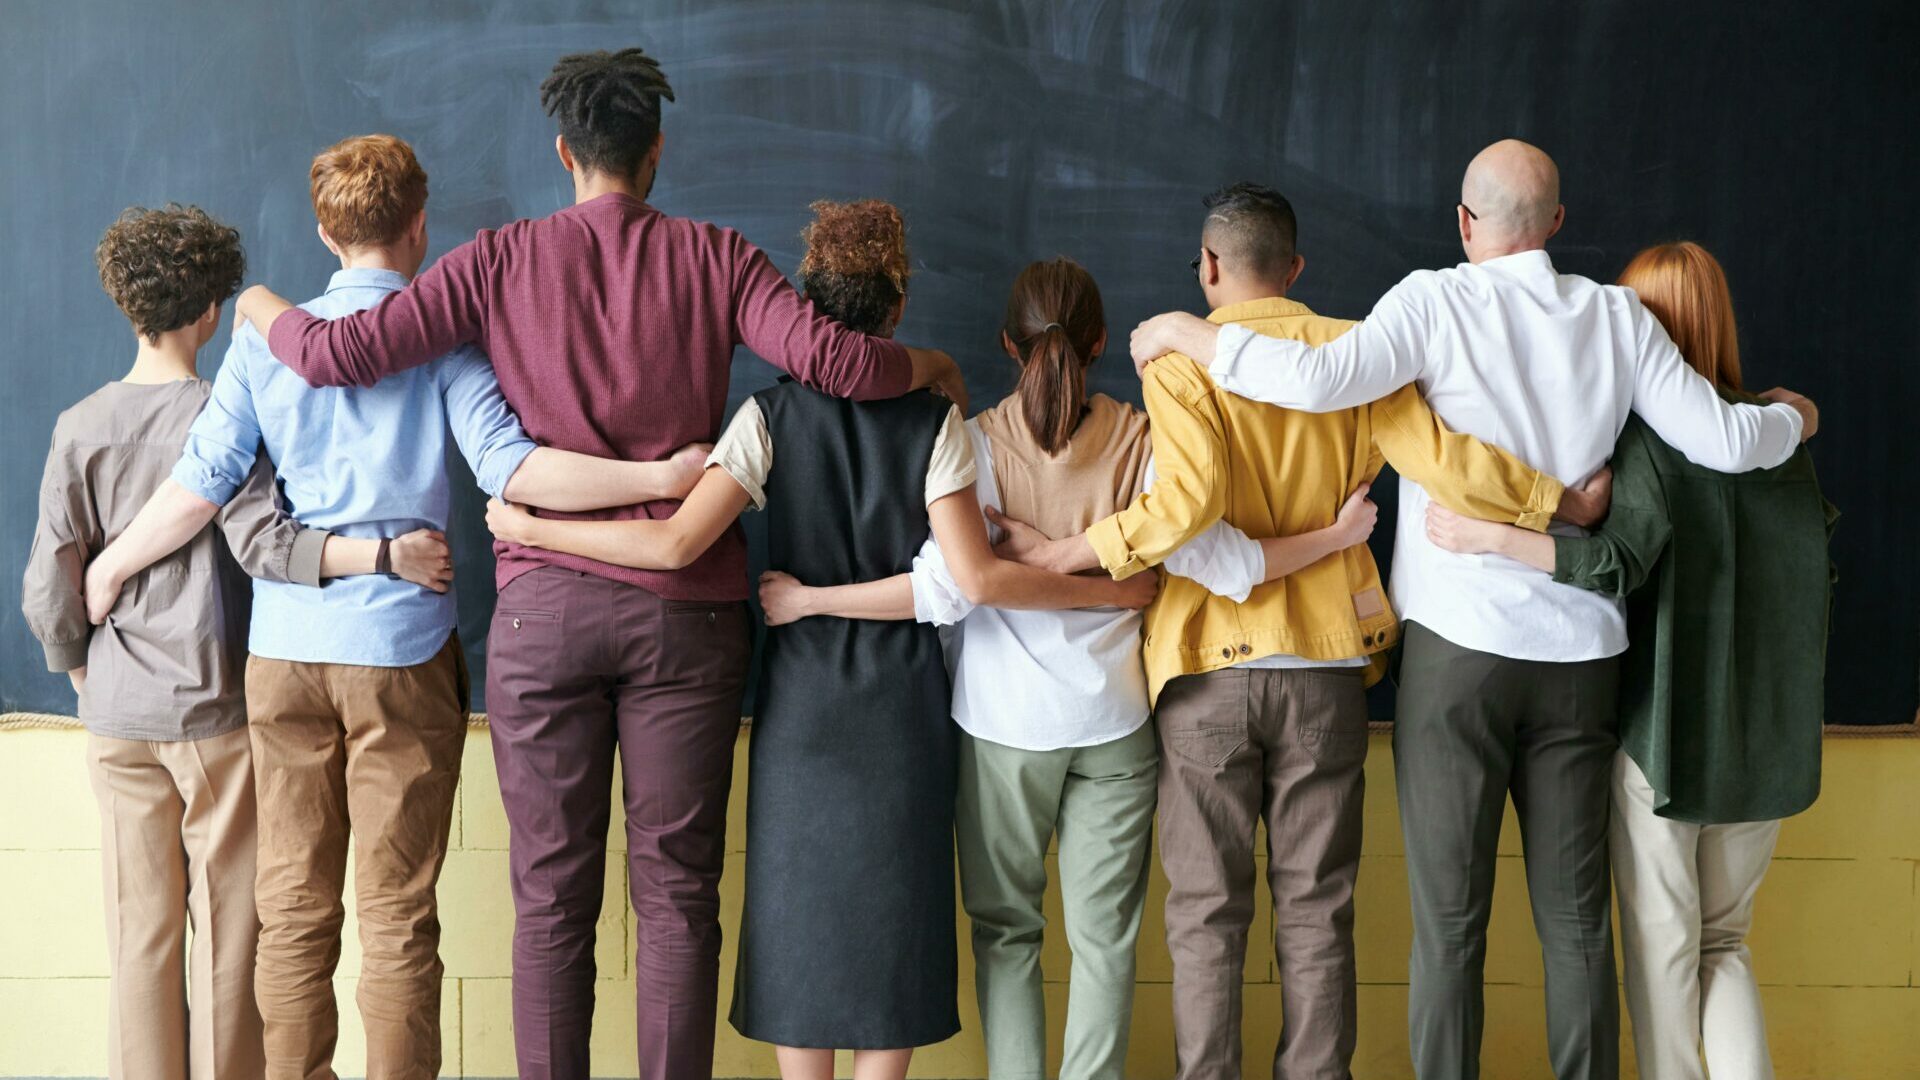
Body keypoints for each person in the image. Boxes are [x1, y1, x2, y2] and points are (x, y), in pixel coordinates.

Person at [231, 51, 966, 1080]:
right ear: (655, 153)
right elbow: (839, 364)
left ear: (565, 155)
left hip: (544, 616)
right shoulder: (718, 258)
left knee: (551, 900)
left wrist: (261, 303)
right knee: (677, 897)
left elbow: (341, 355)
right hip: (689, 617)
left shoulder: (498, 259)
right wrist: (930, 367)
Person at [1126, 144, 1817, 1080]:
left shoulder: (1432, 300)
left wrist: (1189, 332)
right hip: (1581, 656)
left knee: (1450, 923)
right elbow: (1730, 442)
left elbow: (1319, 381)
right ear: (1558, 225)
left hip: (1457, 657)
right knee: (1575, 924)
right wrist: (1795, 420)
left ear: (1463, 221)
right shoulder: (1617, 317)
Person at [79, 137, 708, 1080]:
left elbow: (199, 487)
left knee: (291, 911)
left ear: (325, 232)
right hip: (402, 653)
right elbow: (513, 468)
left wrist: (109, 569)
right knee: (399, 913)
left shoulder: (261, 344)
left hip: (284, 654)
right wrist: (658, 476)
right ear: (420, 226)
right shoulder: (446, 341)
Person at [486, 200, 1154, 1080]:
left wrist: (537, 530)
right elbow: (963, 582)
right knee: (896, 927)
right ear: (898, 307)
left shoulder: (766, 419)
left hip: (803, 708)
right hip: (904, 708)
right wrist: (1111, 587)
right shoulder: (939, 424)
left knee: (797, 918)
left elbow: (673, 543)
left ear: (803, 308)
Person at [992, 183, 1597, 1080]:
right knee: (1318, 909)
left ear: (1207, 267)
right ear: (1297, 270)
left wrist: (1078, 550)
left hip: (1204, 668)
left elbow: (1186, 508)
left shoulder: (1178, 365)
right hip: (1325, 662)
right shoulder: (1357, 353)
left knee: (1206, 915)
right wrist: (1555, 501)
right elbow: (1441, 458)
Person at [758, 255, 1311, 1080]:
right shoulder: (1143, 438)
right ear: (1097, 343)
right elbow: (1172, 571)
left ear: (1007, 347)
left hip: (1001, 727)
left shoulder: (971, 444)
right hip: (1117, 725)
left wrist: (1032, 564)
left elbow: (949, 590)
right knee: (1105, 941)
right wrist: (1113, 592)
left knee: (1006, 933)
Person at [20, 204, 444, 1080]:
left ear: (123, 303)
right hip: (212, 713)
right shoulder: (224, 412)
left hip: (115, 714)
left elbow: (46, 587)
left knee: (139, 936)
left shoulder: (77, 425)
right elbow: (267, 545)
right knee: (232, 934)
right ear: (213, 312)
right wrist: (379, 555)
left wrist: (78, 669)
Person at [1424, 241, 1834, 1080]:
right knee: (1727, 943)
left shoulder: (1650, 445)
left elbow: (1615, 562)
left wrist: (1496, 535)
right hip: (1769, 744)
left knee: (1664, 954)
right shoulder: (1780, 444)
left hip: (1669, 741)